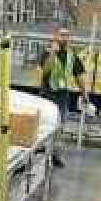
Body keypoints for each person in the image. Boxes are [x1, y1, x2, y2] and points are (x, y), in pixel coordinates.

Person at [40, 27, 89, 168]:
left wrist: (84, 93)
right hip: (47, 95)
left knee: (59, 126)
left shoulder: (72, 56)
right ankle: (41, 152)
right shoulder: (47, 53)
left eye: (67, 35)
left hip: (62, 96)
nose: (65, 38)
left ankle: (54, 155)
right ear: (55, 36)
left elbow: (79, 75)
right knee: (44, 125)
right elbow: (45, 71)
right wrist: (53, 54)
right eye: (62, 35)